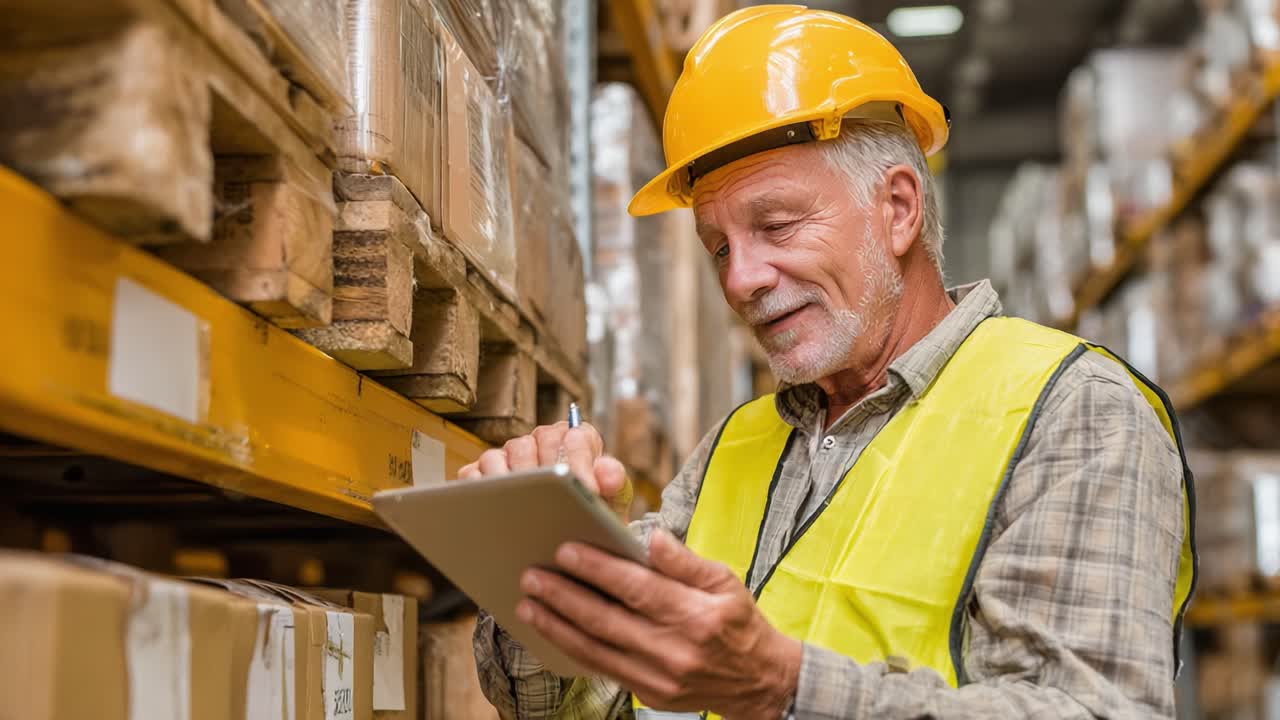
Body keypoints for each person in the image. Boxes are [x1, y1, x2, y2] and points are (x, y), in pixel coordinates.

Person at [462, 5, 1197, 719]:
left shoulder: (1076, 412)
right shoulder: (735, 449)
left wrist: (781, 689)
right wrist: (545, 558)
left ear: (899, 208)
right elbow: (565, 705)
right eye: (719, 247)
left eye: (776, 225)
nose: (740, 279)